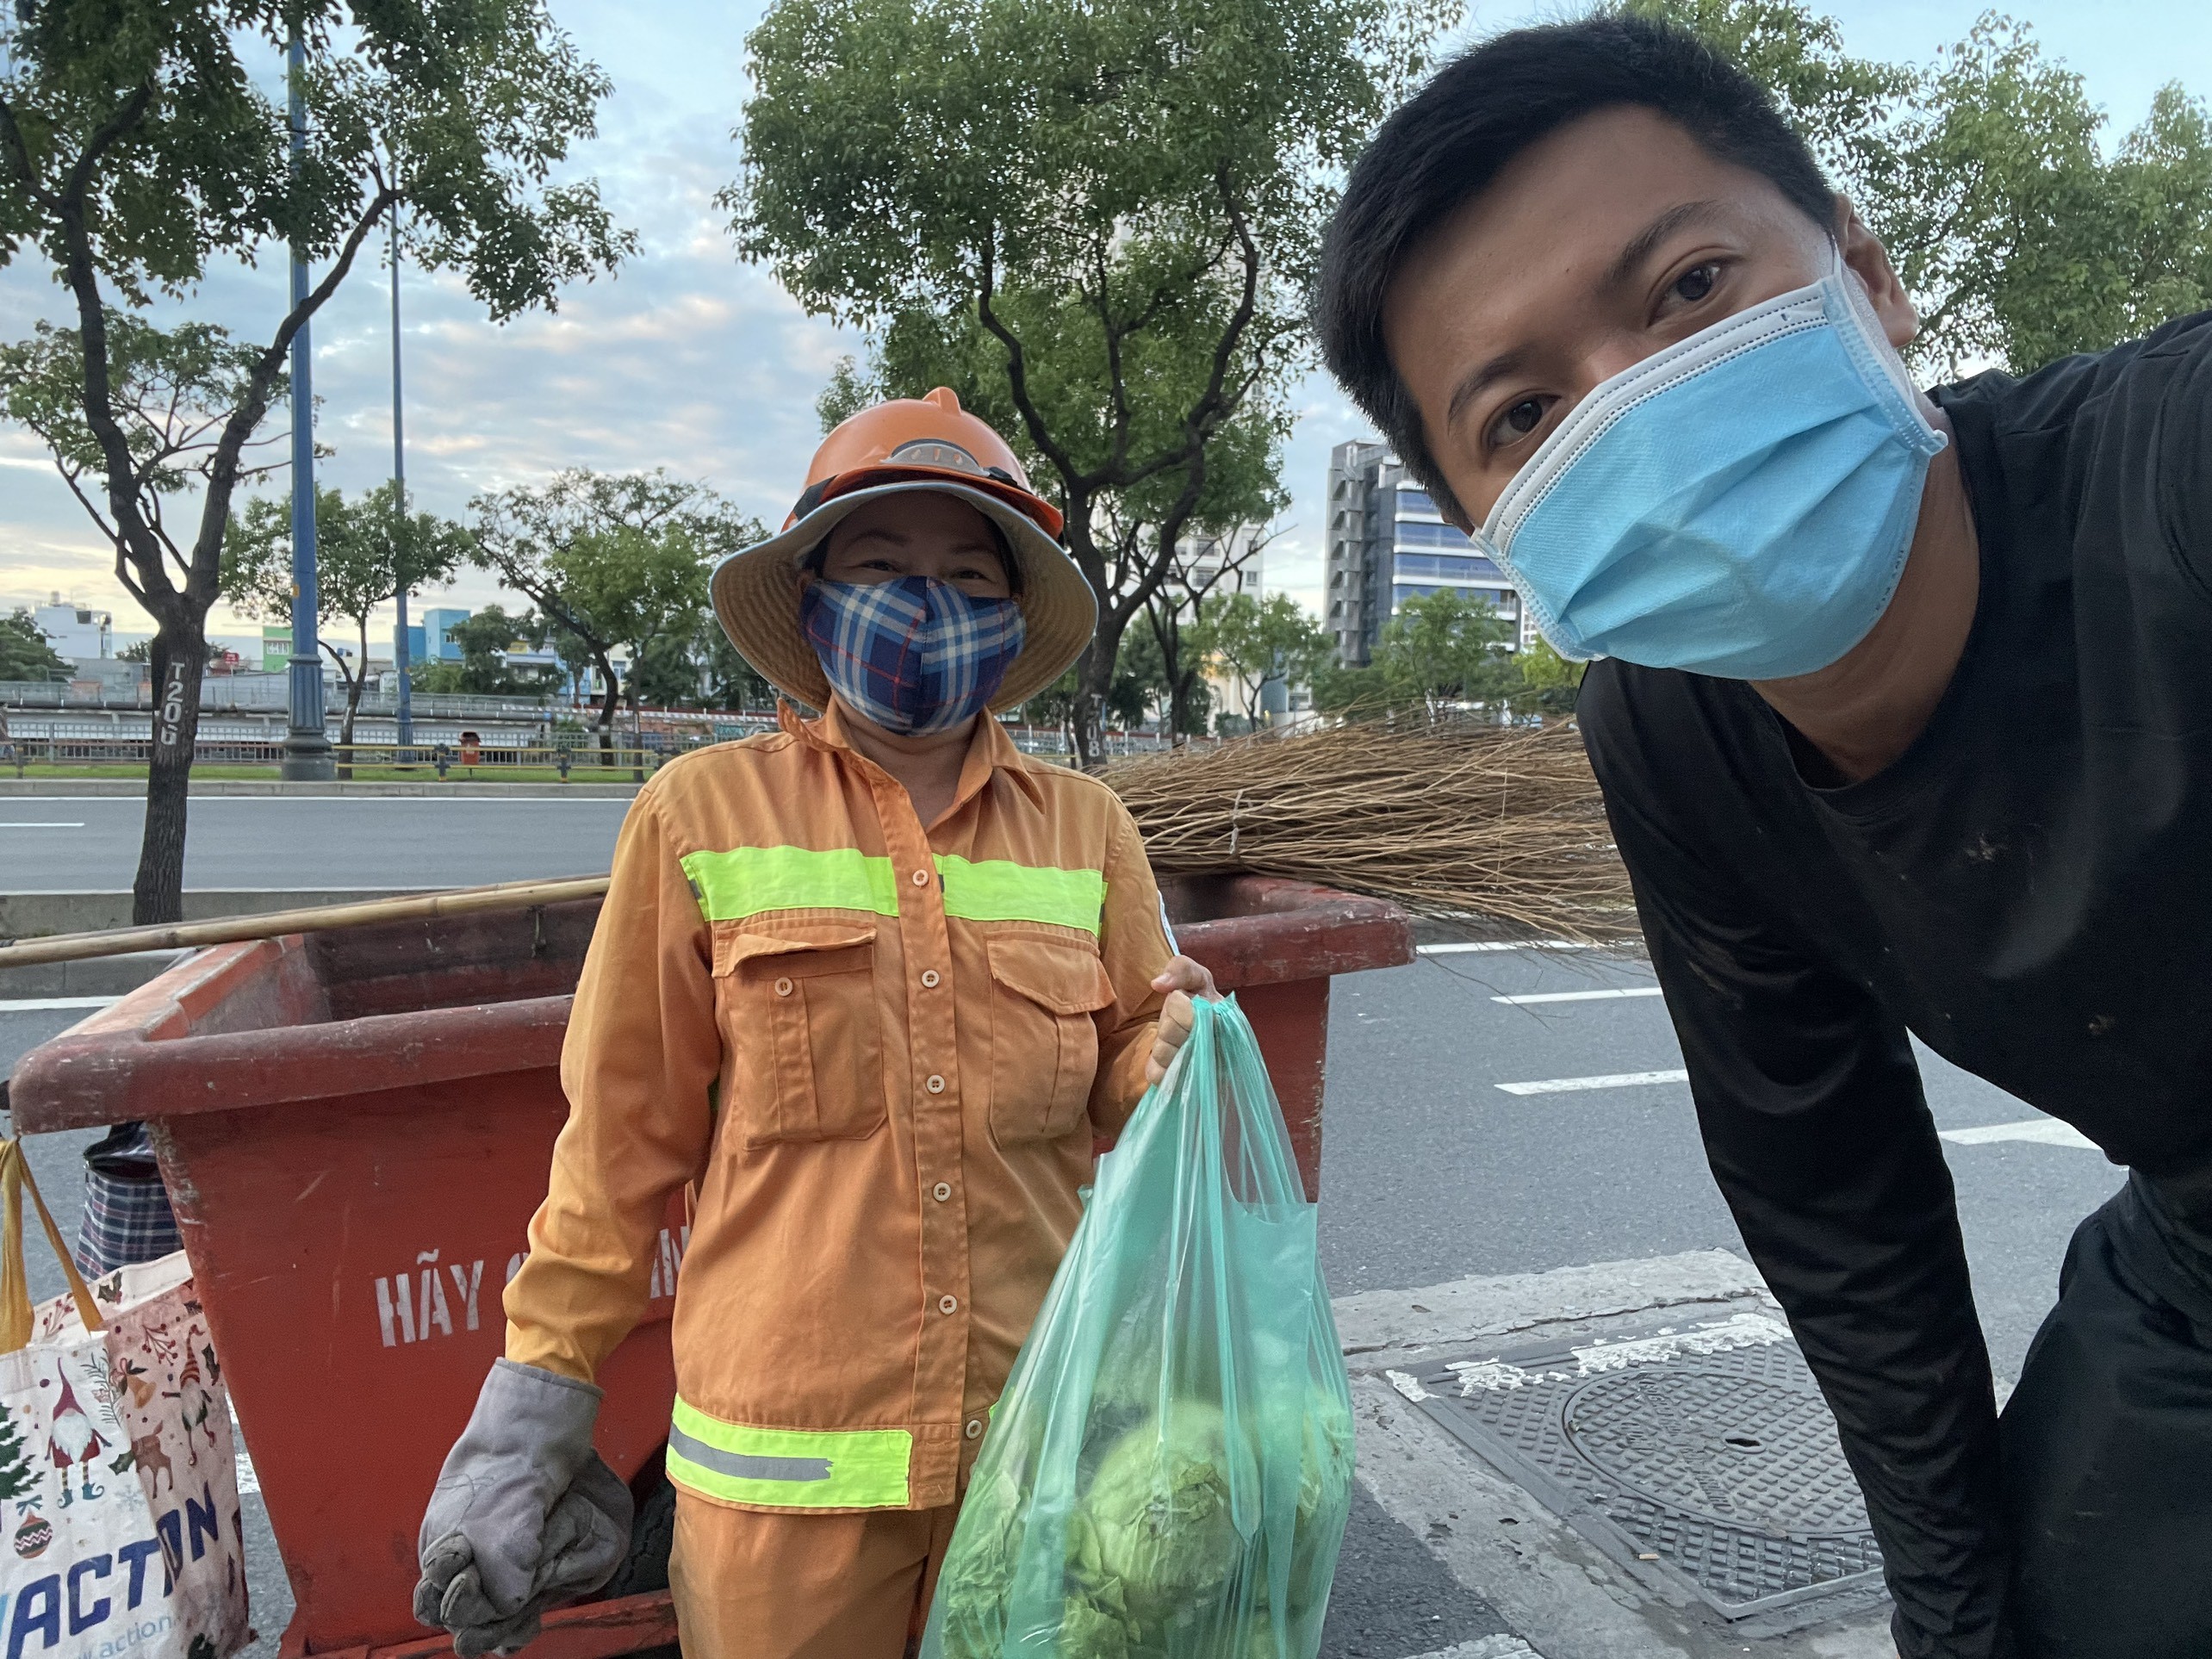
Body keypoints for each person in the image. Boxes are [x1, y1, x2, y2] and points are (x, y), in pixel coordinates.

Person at [1315, 16, 2212, 1659]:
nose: (1640, 408)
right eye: (1523, 415)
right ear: (1499, 538)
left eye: (1686, 291)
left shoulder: (2177, 475)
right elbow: (1835, 1194)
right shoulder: (1673, 739)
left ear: (1867, 284)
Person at [412, 388, 1216, 1659]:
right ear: (816, 595)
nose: (925, 601)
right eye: (884, 566)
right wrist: (532, 1416)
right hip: (781, 1493)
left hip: (1031, 1455)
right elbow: (618, 1147)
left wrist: (1158, 1051)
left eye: (963, 573)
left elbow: (1118, 1075)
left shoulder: (1088, 829)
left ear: (1009, 617)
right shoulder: (698, 816)